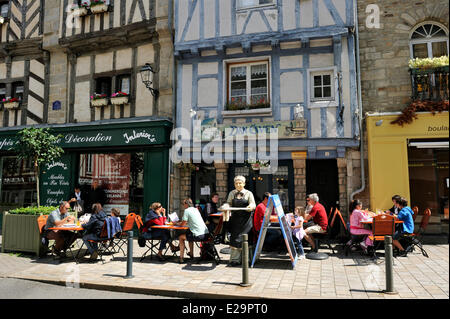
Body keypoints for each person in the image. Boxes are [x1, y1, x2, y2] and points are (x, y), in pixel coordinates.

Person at [226, 175, 256, 266]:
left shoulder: (249, 193)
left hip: (246, 221)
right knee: (235, 239)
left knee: (246, 239)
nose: (238, 185)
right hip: (235, 220)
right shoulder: (232, 193)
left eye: (240, 183)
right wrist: (226, 206)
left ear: (244, 183)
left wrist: (250, 207)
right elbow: (228, 203)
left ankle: (246, 259)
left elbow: (253, 204)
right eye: (236, 183)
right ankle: (235, 260)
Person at [175, 198, 209, 264]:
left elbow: (182, 224)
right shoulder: (196, 210)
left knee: (181, 237)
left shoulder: (187, 211)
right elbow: (192, 221)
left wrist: (176, 223)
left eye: (183, 204)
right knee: (189, 233)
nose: (183, 205)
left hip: (198, 235)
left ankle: (181, 258)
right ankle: (191, 254)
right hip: (205, 234)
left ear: (186, 204)